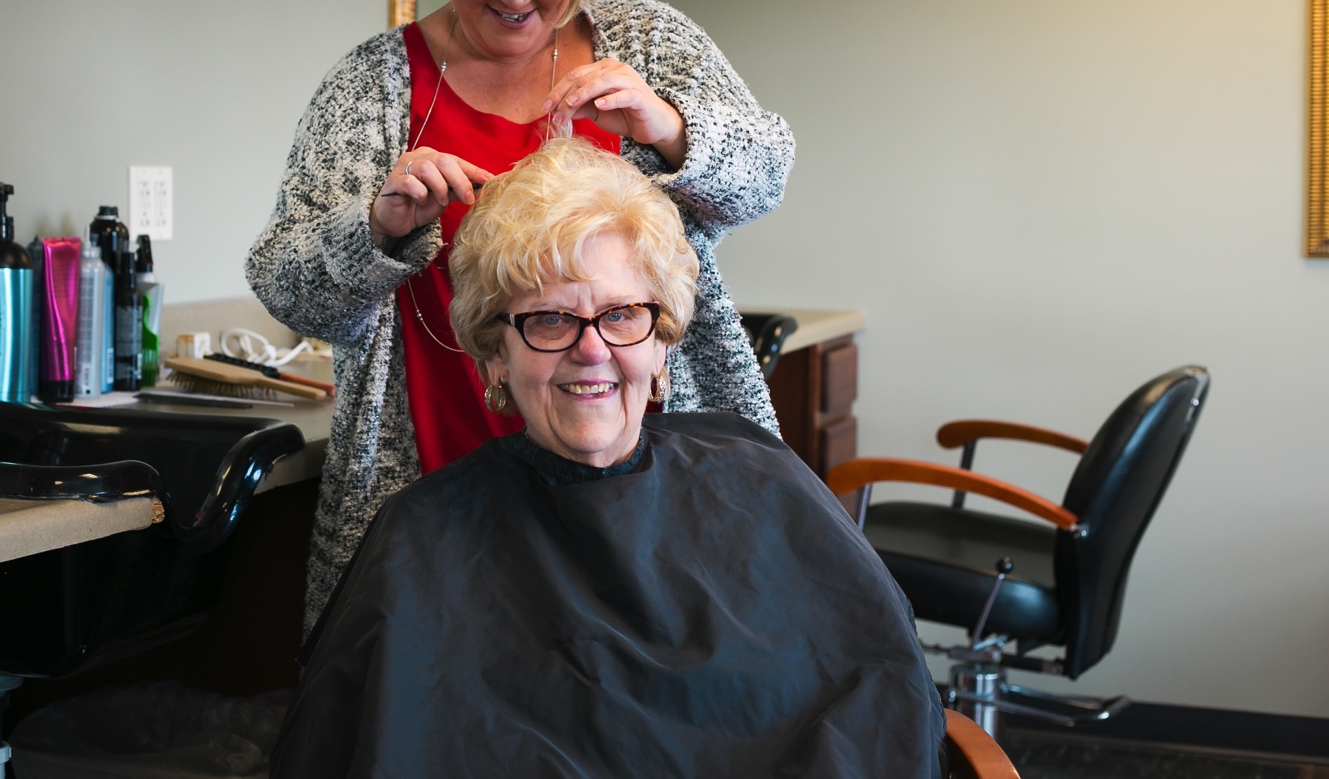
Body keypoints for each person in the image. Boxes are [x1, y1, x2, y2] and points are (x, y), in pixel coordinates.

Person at [245, 0, 795, 628]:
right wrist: (378, 229)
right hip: (435, 485)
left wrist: (673, 129)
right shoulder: (371, 88)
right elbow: (289, 290)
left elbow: (764, 179)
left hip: (640, 484)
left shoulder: (646, 43)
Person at [269, 141, 945, 778]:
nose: (592, 350)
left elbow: (878, 697)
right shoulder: (419, 537)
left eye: (622, 315)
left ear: (661, 346)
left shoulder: (760, 478)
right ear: (496, 356)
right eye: (551, 319)